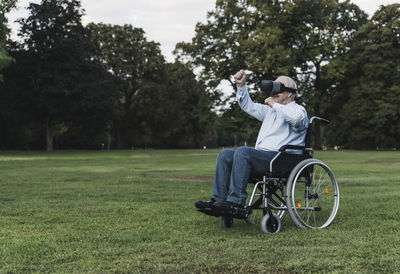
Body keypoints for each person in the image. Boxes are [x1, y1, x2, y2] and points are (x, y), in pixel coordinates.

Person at [195, 69, 309, 218]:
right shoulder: (270, 111)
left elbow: (297, 121)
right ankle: (218, 202)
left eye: (278, 89)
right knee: (225, 154)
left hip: (281, 160)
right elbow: (247, 105)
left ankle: (235, 203)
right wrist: (241, 86)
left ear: (289, 93)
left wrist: (275, 105)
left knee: (243, 151)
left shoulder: (298, 110)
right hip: (262, 158)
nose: (274, 92)